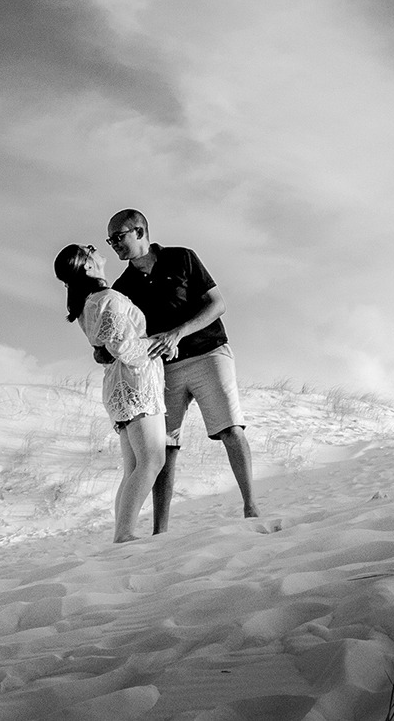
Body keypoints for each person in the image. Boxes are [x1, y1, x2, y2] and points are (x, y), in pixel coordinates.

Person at [103, 208, 259, 530]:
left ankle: (251, 507)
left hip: (208, 352)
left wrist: (178, 332)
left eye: (119, 237)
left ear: (140, 232)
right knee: (165, 448)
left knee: (231, 428)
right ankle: (161, 531)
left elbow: (217, 304)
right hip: (163, 370)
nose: (114, 245)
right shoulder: (123, 286)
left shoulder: (182, 258)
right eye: (110, 240)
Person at [54, 242, 164, 542]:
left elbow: (108, 348)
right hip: (135, 381)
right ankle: (124, 534)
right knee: (152, 460)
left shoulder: (87, 305)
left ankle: (123, 532)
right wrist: (159, 344)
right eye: (90, 249)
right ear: (88, 266)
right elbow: (121, 347)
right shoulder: (109, 299)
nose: (96, 248)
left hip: (120, 384)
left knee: (134, 467)